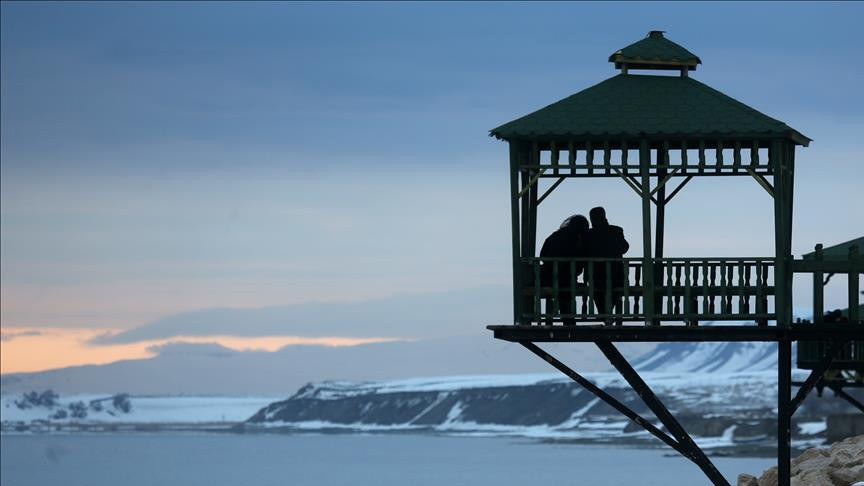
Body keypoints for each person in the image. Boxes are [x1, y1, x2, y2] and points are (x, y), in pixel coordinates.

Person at [539, 214, 589, 326]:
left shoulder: (554, 236)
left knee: (564, 289)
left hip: (546, 277)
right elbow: (582, 259)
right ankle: (568, 320)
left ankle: (564, 320)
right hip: (565, 279)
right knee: (566, 290)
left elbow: (542, 255)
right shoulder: (577, 239)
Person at [584, 207, 629, 323]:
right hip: (616, 273)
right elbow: (624, 248)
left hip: (595, 274)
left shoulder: (588, 234)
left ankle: (604, 314)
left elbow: (583, 251)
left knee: (597, 292)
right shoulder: (617, 230)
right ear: (604, 216)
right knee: (616, 290)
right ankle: (607, 313)